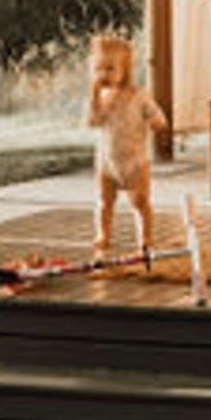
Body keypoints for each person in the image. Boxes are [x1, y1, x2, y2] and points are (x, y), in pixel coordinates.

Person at [84, 31, 169, 266]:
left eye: (110, 69)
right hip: (107, 164)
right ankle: (103, 235)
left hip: (135, 161)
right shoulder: (100, 99)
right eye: (98, 69)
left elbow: (157, 115)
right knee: (104, 202)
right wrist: (93, 96)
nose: (103, 74)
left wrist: (156, 122)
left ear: (125, 71)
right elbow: (91, 122)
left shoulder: (138, 96)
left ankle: (146, 239)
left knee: (140, 201)